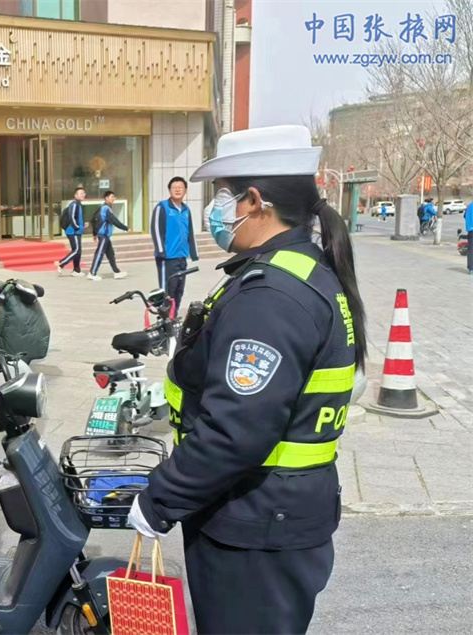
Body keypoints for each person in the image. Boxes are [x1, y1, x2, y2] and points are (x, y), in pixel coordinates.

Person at [128, 125, 365, 634]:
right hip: (277, 512)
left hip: (256, 522)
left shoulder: (270, 297)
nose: (215, 210)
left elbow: (236, 430)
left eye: (222, 196)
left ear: (254, 201)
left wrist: (160, 499)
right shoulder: (298, 270)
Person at [151, 177, 199, 310]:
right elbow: (156, 229)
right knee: (167, 290)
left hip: (181, 257)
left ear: (185, 191)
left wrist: (194, 253)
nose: (177, 190)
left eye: (180, 187)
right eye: (174, 188)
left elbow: (190, 231)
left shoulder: (186, 209)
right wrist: (161, 251)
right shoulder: (162, 207)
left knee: (179, 289)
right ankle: (164, 317)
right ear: (169, 190)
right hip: (167, 257)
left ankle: (173, 316)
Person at [88, 190, 129, 281]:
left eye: (114, 197)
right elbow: (114, 220)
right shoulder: (106, 208)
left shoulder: (102, 207)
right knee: (99, 253)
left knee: (110, 254)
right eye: (112, 197)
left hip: (104, 235)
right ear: (106, 198)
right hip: (103, 235)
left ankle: (116, 272)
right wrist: (125, 228)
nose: (113, 199)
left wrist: (95, 233)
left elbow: (94, 220)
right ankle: (92, 273)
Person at [55, 187, 86, 276]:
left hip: (77, 231)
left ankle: (76, 270)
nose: (83, 195)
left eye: (83, 193)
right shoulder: (74, 204)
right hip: (73, 231)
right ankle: (61, 263)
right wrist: (77, 227)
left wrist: (82, 225)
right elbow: (72, 217)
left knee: (77, 251)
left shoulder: (79, 204)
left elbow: (77, 218)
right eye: (80, 193)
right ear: (75, 195)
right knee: (77, 250)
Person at [465, 200, 473, 274]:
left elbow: (464, 216)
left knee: (471, 249)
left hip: (470, 230)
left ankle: (471, 268)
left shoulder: (469, 206)